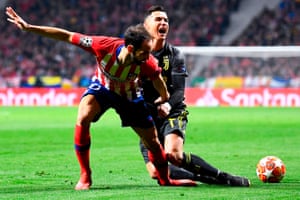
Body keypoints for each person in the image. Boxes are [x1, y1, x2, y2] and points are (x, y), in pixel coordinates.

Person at [5, 6, 196, 190]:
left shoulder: (149, 63)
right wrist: (30, 28)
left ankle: (165, 180)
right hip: (103, 88)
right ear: (130, 48)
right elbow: (66, 35)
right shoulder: (102, 45)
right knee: (83, 117)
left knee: (153, 142)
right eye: (144, 52)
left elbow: (158, 82)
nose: (148, 56)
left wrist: (163, 99)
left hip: (129, 96)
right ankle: (85, 174)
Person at [139, 5, 250, 187]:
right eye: (158, 19)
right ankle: (207, 177)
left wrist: (167, 105)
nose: (163, 23)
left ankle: (223, 177)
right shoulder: (137, 55)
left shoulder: (175, 55)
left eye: (165, 20)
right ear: (145, 26)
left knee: (173, 154)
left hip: (173, 111)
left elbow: (179, 92)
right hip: (147, 119)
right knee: (155, 172)